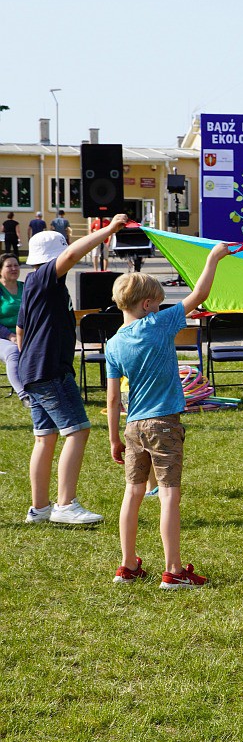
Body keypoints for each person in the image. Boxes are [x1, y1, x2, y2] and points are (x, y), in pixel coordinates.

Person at [105, 243, 231, 589]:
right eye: (158, 302)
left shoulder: (113, 343)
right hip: (163, 424)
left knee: (132, 492)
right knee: (169, 493)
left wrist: (114, 437)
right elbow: (201, 293)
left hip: (133, 427)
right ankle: (173, 570)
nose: (162, 307)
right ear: (147, 305)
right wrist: (214, 256)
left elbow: (113, 396)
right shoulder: (158, 324)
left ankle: (127, 565)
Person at [18, 213, 128, 526]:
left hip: (35, 370)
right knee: (78, 430)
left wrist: (29, 364)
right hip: (50, 369)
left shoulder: (35, 287)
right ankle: (65, 505)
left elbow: (21, 328)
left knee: (45, 437)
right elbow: (70, 254)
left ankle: (39, 509)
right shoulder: (44, 279)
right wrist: (107, 230)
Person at [0, 253, 27, 403]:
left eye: (16, 265)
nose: (14, 268)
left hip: (25, 333)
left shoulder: (26, 287)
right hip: (3, 336)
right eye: (9, 266)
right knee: (13, 351)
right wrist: (10, 336)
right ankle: (25, 395)